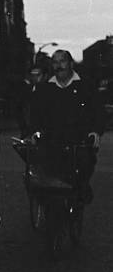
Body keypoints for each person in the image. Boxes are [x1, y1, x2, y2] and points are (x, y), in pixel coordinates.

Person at [28, 49, 104, 201]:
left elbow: (98, 112)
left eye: (62, 61)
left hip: (79, 139)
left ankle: (82, 188)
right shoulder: (45, 89)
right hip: (52, 140)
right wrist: (33, 132)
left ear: (70, 64)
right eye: (55, 62)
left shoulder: (86, 86)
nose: (58, 66)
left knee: (85, 163)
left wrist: (95, 131)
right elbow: (34, 114)